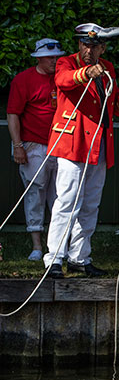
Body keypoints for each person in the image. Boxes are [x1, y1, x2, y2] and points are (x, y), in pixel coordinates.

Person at [43, 23, 119, 278]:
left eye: (94, 45)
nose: (88, 49)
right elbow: (62, 81)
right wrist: (86, 73)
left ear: (102, 48)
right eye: (85, 44)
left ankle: (79, 257)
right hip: (73, 145)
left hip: (98, 145)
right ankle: (54, 259)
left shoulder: (108, 68)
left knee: (90, 206)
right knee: (66, 204)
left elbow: (114, 108)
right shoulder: (66, 63)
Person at [7, 38, 65, 261]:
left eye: (57, 56)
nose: (55, 60)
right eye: (50, 57)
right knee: (35, 194)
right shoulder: (23, 80)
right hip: (33, 145)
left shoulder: (61, 79)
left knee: (60, 196)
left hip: (60, 145)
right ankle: (37, 246)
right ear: (39, 58)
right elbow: (13, 114)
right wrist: (18, 146)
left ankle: (57, 246)